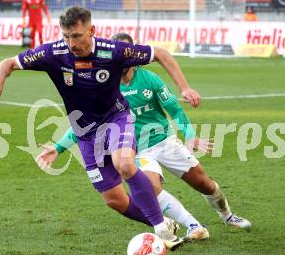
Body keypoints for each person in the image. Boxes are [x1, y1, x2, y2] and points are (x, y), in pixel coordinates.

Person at [0, 6, 201, 250]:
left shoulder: (114, 51)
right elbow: (8, 63)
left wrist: (184, 88)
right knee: (114, 199)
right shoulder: (54, 53)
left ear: (91, 31)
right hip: (85, 134)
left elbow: (160, 54)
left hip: (117, 118)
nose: (70, 42)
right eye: (66, 36)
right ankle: (164, 222)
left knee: (125, 164)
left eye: (76, 36)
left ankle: (160, 227)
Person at [40, 33, 252, 237]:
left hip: (164, 141)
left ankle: (228, 216)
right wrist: (58, 148)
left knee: (204, 183)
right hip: (136, 150)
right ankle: (193, 225)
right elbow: (86, 124)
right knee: (150, 187)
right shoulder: (102, 85)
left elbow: (176, 111)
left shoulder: (150, 79)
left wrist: (190, 135)